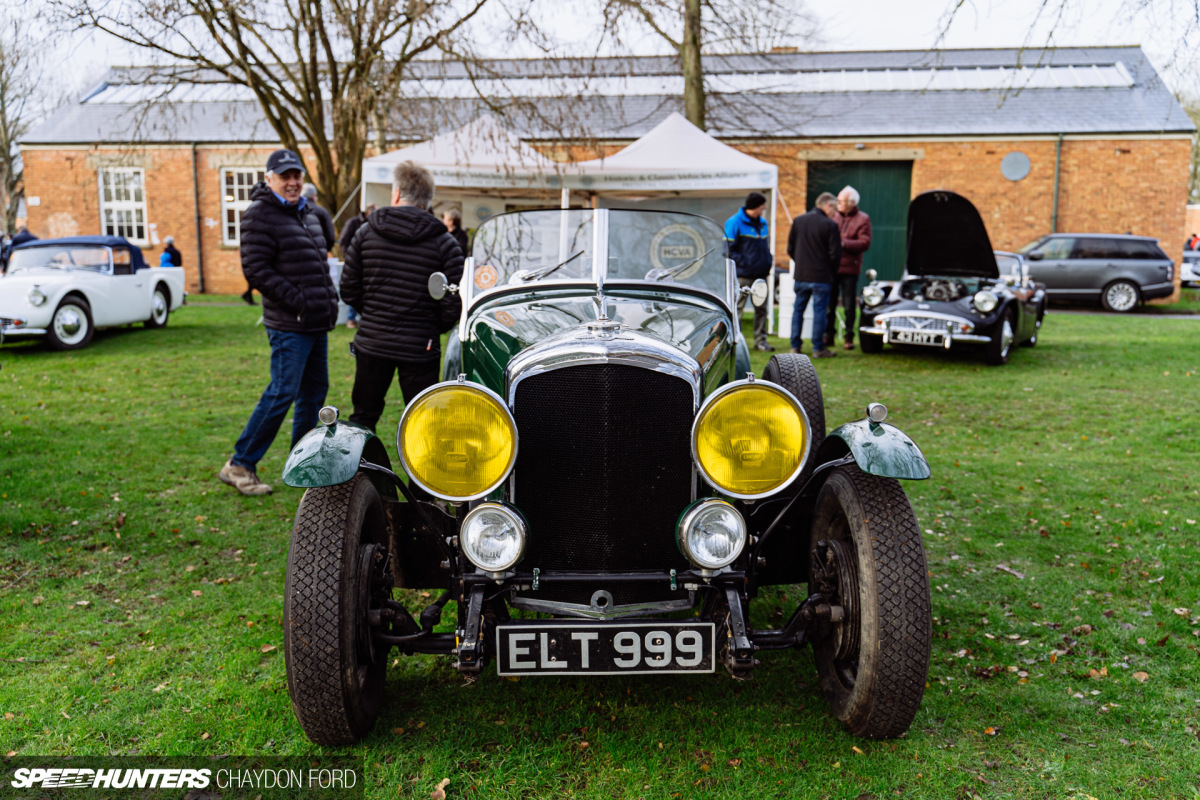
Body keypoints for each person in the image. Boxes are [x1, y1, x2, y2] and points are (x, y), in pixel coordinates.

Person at [218, 148, 339, 496]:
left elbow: (318, 260)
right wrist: (299, 300)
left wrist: (324, 301)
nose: (292, 182)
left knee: (314, 393)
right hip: (289, 322)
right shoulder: (260, 214)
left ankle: (301, 463)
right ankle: (240, 464)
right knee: (282, 391)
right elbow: (256, 270)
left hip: (314, 322)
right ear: (269, 179)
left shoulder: (308, 212)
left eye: (296, 175)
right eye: (284, 176)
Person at [339, 160, 464, 433]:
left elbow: (348, 289)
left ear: (396, 193)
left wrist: (373, 313)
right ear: (428, 200)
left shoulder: (365, 233)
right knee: (423, 422)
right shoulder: (446, 243)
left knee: (363, 418)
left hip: (375, 341)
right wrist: (429, 325)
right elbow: (453, 302)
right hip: (420, 346)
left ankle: (361, 463)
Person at [787, 192, 842, 358]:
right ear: (827, 205)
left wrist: (801, 263)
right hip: (822, 276)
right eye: (834, 209)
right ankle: (818, 348)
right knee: (820, 312)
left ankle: (795, 346)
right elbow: (835, 254)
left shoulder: (798, 221)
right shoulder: (830, 225)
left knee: (798, 310)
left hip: (801, 275)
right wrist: (831, 271)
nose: (835, 213)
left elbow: (790, 249)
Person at [724, 192, 775, 352]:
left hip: (761, 275)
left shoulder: (763, 223)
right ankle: (736, 343)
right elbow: (728, 250)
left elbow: (765, 247)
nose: (764, 208)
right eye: (762, 206)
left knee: (762, 309)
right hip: (743, 275)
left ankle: (761, 341)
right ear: (755, 207)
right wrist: (746, 265)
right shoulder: (734, 222)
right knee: (737, 309)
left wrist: (768, 261)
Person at [825, 186, 872, 350]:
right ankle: (828, 335)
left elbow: (864, 242)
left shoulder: (863, 219)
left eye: (841, 201)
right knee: (829, 305)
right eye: (837, 200)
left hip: (850, 270)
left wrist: (843, 244)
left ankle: (849, 337)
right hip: (832, 267)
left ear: (852, 203)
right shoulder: (833, 216)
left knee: (849, 306)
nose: (838, 204)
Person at [338, 204, 377, 330]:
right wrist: (350, 258)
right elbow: (343, 241)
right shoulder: (353, 223)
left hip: (369, 262)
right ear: (369, 213)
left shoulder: (374, 225)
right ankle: (350, 319)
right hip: (355, 262)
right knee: (354, 287)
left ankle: (365, 318)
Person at [301, 183, 336, 257]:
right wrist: (325, 249)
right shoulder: (322, 212)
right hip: (319, 254)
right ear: (313, 196)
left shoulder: (294, 211)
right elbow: (330, 237)